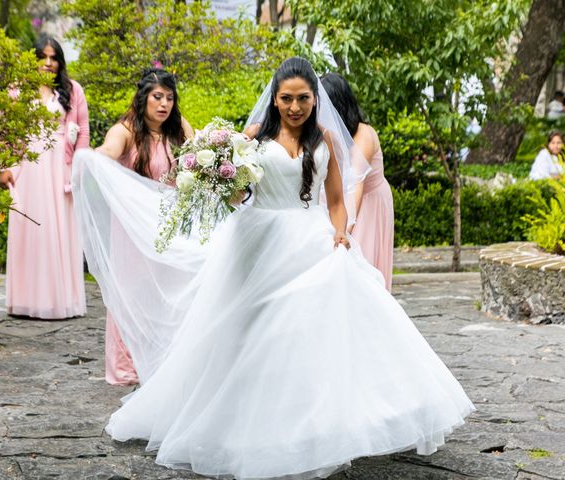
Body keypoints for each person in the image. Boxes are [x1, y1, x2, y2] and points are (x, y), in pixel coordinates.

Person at [72, 57, 474, 480]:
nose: (295, 107)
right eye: (287, 98)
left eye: (303, 98)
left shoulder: (325, 140)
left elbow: (336, 201)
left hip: (310, 239)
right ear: (275, 99)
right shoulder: (251, 140)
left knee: (308, 332)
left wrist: (340, 233)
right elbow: (238, 196)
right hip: (258, 241)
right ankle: (242, 421)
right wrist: (219, 178)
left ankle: (311, 423)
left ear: (315, 100)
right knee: (247, 331)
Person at [94, 68, 193, 386]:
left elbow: (201, 157)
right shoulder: (125, 131)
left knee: (166, 290)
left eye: (169, 97)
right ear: (144, 98)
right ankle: (126, 366)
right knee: (131, 290)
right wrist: (94, 156)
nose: (163, 104)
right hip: (132, 227)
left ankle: (164, 356)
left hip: (168, 224)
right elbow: (109, 151)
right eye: (157, 97)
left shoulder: (178, 131)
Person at [0, 35, 89, 319]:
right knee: (31, 231)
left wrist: (79, 168)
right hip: (28, 167)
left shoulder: (72, 91)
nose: (48, 63)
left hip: (59, 168)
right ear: (33, 59)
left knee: (59, 231)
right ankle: (26, 299)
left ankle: (61, 301)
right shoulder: (16, 90)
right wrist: (7, 166)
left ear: (60, 62)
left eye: (53, 58)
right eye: (43, 57)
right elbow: (5, 132)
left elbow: (83, 131)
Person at [321, 72, 394, 291]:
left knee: (361, 268)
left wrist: (344, 230)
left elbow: (354, 185)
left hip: (368, 205)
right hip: (339, 200)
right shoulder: (328, 132)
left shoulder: (364, 134)